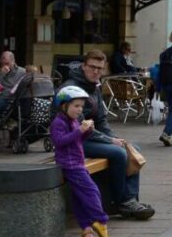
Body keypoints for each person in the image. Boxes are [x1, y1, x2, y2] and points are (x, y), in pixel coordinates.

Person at [63, 50, 155, 219]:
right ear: (83, 66)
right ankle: (121, 202)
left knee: (132, 148)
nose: (96, 71)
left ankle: (130, 199)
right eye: (92, 67)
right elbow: (80, 127)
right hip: (72, 141)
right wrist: (109, 140)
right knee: (119, 153)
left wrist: (116, 138)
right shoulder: (71, 89)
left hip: (89, 137)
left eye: (100, 68)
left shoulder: (94, 87)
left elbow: (101, 120)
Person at [51, 86, 110, 237]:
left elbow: (77, 140)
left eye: (81, 107)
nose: (80, 110)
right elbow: (59, 142)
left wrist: (87, 131)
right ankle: (100, 220)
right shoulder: (58, 123)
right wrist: (79, 131)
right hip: (70, 165)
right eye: (76, 106)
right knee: (92, 191)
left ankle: (86, 229)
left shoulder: (73, 120)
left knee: (79, 197)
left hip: (77, 162)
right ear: (64, 105)